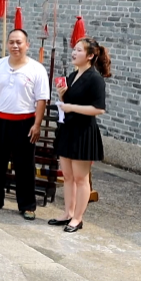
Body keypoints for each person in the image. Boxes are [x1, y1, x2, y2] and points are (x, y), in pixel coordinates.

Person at [0, 29, 50, 221]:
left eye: (19, 42)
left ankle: (27, 206)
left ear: (27, 45)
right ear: (7, 44)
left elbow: (42, 99)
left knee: (24, 166)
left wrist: (37, 124)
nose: (15, 46)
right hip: (0, 121)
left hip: (25, 123)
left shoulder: (36, 69)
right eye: (11, 42)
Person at [50, 37, 111, 233]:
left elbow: (99, 109)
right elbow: (67, 102)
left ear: (91, 56)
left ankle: (78, 218)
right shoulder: (72, 75)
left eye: (78, 50)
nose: (74, 53)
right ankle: (67, 213)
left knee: (80, 178)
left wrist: (70, 106)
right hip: (68, 128)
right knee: (67, 176)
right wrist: (61, 95)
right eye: (74, 50)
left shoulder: (95, 79)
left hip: (84, 131)